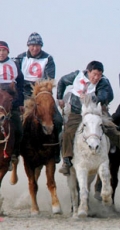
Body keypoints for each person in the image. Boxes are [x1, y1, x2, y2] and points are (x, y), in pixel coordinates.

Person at [57, 61, 120, 175]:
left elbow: (103, 96)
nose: (96, 77)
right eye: (94, 74)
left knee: (113, 130)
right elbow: (62, 82)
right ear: (88, 72)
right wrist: (59, 97)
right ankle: (66, 161)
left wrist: (90, 98)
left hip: (95, 113)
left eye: (99, 75)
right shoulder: (76, 76)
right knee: (67, 132)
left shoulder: (103, 82)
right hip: (77, 113)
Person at [15, 32, 63, 163]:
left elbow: (49, 78)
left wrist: (38, 90)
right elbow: (16, 77)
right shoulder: (20, 58)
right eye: (32, 45)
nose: (34, 48)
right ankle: (16, 149)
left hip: (41, 95)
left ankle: (56, 151)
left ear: (40, 46)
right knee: (16, 120)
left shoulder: (48, 59)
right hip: (25, 95)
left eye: (37, 45)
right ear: (28, 46)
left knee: (58, 120)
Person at [0, 41, 24, 165]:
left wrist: (19, 102)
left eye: (3, 50)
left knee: (19, 129)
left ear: (8, 52)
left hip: (10, 102)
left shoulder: (14, 65)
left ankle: (14, 153)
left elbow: (20, 83)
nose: (1, 53)